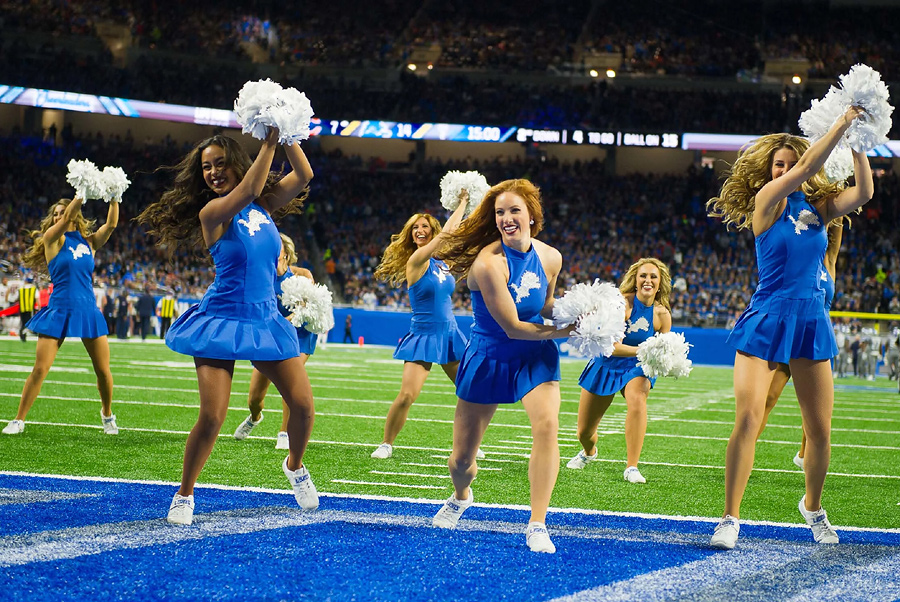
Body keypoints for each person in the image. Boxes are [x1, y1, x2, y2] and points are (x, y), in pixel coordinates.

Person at [705, 106, 873, 549]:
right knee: (748, 417)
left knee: (819, 431)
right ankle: (730, 518)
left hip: (811, 321)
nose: (784, 169)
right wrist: (839, 123)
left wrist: (858, 138)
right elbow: (804, 167)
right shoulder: (766, 204)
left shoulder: (819, 209)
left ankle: (813, 508)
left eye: (788, 162)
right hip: (766, 318)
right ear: (770, 171)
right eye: (777, 165)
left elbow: (864, 192)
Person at [137, 129, 316, 525]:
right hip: (220, 319)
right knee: (213, 416)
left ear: (235, 162)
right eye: (206, 167)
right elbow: (249, 187)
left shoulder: (264, 206)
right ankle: (185, 493)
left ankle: (295, 465)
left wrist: (285, 132)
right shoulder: (212, 213)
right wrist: (268, 141)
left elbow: (303, 175)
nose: (213, 172)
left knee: (303, 408)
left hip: (265, 319)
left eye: (220, 163)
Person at [429, 179, 574, 554]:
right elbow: (512, 326)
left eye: (514, 211)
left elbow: (544, 306)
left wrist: (583, 316)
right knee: (461, 461)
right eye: (499, 213)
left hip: (534, 355)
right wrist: (566, 332)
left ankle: (538, 523)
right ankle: (461, 495)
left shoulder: (551, 257)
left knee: (547, 425)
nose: (507, 218)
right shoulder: (487, 265)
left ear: (531, 215)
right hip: (491, 354)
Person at [2, 197, 119, 436]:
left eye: (62, 212)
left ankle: (107, 415)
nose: (58, 216)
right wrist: (81, 194)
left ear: (75, 214)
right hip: (59, 309)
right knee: (39, 369)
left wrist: (115, 196)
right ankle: (18, 419)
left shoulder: (89, 242)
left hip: (87, 310)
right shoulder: (52, 240)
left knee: (103, 371)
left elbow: (111, 225)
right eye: (54, 214)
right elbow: (66, 219)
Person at [370, 195, 469, 460]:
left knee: (469, 393)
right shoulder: (416, 261)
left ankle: (468, 444)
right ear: (411, 235)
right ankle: (386, 443)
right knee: (407, 395)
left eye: (425, 227)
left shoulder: (442, 264)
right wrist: (462, 203)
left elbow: (453, 237)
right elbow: (447, 235)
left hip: (450, 334)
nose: (420, 230)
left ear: (432, 231)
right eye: (415, 227)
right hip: (424, 334)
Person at [566, 257, 673, 484]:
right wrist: (645, 350)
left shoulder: (662, 315)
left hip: (636, 367)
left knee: (638, 399)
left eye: (653, 276)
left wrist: (664, 358)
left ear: (660, 282)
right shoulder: (621, 305)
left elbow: (662, 350)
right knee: (584, 433)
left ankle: (632, 467)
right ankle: (589, 452)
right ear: (635, 279)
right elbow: (612, 348)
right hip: (606, 363)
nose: (648, 280)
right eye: (643, 275)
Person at [755, 219, 844, 471]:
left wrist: (834, 201)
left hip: (816, 337)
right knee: (769, 398)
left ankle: (805, 455)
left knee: (816, 410)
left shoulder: (829, 262)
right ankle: (749, 444)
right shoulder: (799, 259)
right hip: (791, 334)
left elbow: (836, 231)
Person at [233, 233, 319, 450]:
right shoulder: (262, 278)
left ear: (286, 253)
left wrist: (290, 319)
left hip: (299, 335)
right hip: (272, 335)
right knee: (254, 398)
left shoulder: (302, 275)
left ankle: (284, 432)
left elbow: (308, 308)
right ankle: (255, 417)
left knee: (291, 380)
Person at [17, 277, 38, 342]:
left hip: (22, 308)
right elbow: (37, 298)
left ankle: (22, 335)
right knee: (30, 322)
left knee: (23, 322)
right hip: (30, 308)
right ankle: (29, 332)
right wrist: (39, 308)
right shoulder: (34, 288)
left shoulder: (21, 288)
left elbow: (17, 298)